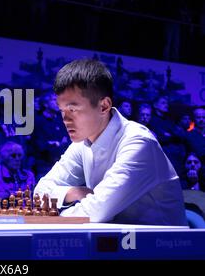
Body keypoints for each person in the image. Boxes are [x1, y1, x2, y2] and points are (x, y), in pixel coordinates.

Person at [34, 59, 187, 225]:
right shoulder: (82, 143)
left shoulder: (138, 142)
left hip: (164, 246)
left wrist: (49, 218)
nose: (65, 119)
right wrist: (73, 192)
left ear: (104, 106)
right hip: (121, 242)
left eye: (73, 109)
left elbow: (94, 212)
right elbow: (39, 192)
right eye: (61, 110)